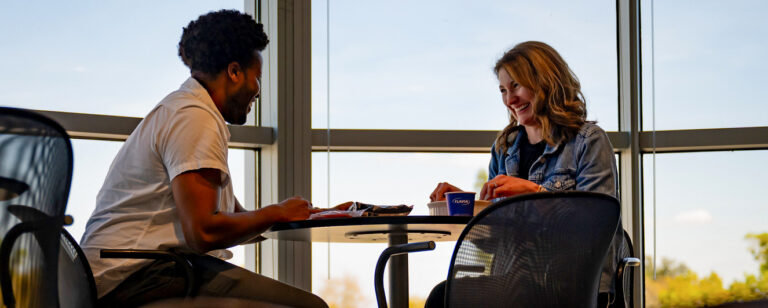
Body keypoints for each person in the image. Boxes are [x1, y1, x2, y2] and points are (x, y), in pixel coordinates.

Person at [80, 10, 327, 308]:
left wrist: (312, 216)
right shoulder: (194, 119)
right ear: (234, 72)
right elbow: (204, 232)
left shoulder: (188, 111)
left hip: (138, 271)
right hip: (134, 278)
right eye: (256, 78)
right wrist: (277, 212)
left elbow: (232, 220)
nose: (258, 92)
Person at [427, 41, 624, 307]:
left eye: (516, 86)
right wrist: (472, 208)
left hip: (575, 288)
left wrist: (535, 194)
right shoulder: (504, 148)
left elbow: (593, 229)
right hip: (515, 284)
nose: (510, 100)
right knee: (443, 297)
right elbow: (495, 243)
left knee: (443, 298)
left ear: (546, 83)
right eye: (503, 90)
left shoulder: (588, 141)